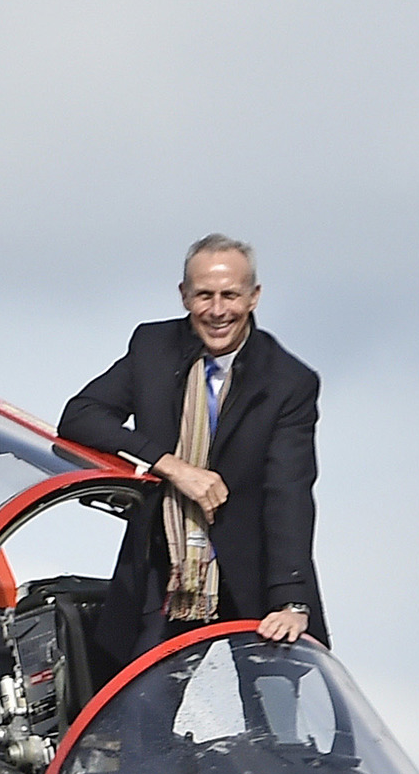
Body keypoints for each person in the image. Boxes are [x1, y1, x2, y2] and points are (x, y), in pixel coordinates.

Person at [59, 235, 326, 676]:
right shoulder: (153, 347)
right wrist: (171, 466)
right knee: (133, 705)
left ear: (253, 297)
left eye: (230, 296)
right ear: (184, 295)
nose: (217, 311)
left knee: (272, 722)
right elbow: (81, 416)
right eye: (204, 295)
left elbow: (289, 494)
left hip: (248, 577)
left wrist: (291, 602)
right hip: (162, 569)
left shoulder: (287, 382)